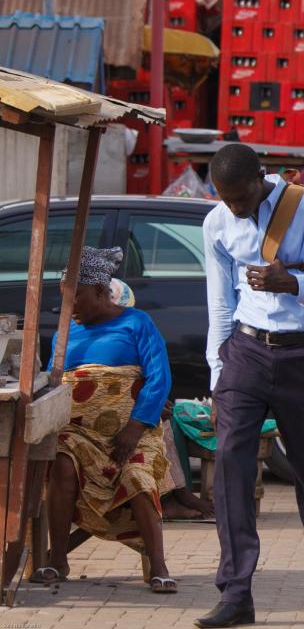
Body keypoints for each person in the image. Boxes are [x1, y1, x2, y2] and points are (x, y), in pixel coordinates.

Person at [198, 143, 304, 627]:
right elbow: (220, 301)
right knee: (230, 464)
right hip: (245, 351)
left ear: (259, 179)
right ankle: (236, 591)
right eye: (225, 198)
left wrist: (296, 285)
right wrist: (217, 372)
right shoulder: (216, 223)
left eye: (240, 198)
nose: (234, 207)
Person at [37, 248, 175, 592]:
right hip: (78, 433)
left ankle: (158, 566)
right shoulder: (64, 333)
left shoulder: (137, 322)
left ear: (100, 291)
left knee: (138, 475)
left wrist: (135, 426)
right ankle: (57, 560)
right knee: (62, 461)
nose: (69, 307)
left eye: (76, 298)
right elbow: (53, 381)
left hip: (132, 434)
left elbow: (160, 378)